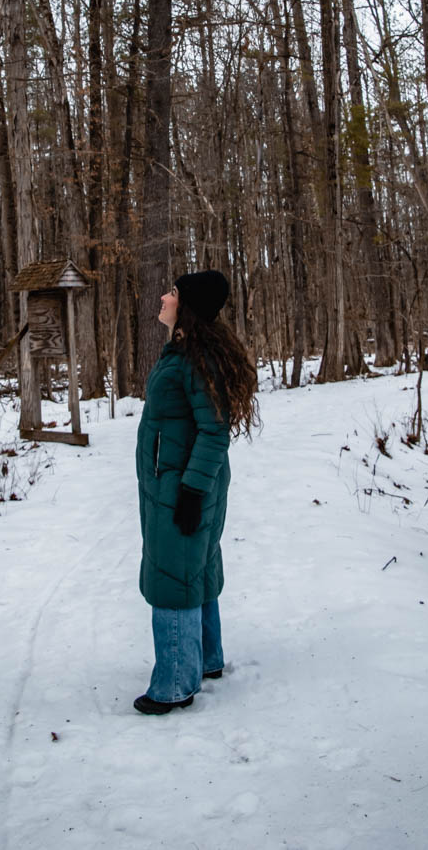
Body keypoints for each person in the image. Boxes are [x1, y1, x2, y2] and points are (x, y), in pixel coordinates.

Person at [134, 268, 259, 715]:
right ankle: (205, 658)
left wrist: (189, 491)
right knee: (197, 565)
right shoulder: (185, 351)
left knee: (173, 572)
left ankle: (174, 684)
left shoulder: (194, 360)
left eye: (172, 293)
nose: (164, 297)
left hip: (185, 482)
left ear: (185, 307)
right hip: (180, 479)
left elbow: (214, 431)